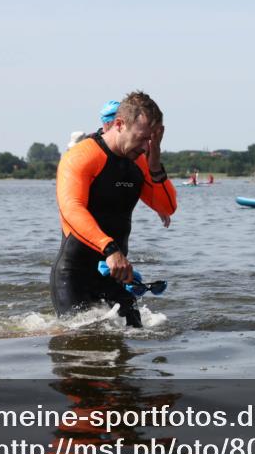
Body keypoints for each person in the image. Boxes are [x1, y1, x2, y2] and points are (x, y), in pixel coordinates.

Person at [51, 91, 177, 327]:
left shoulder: (140, 162)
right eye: (141, 138)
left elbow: (167, 206)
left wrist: (155, 162)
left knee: (131, 344)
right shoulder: (81, 156)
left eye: (151, 140)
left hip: (115, 273)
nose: (145, 146)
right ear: (119, 124)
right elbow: (72, 209)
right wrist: (110, 249)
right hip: (75, 274)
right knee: (80, 350)